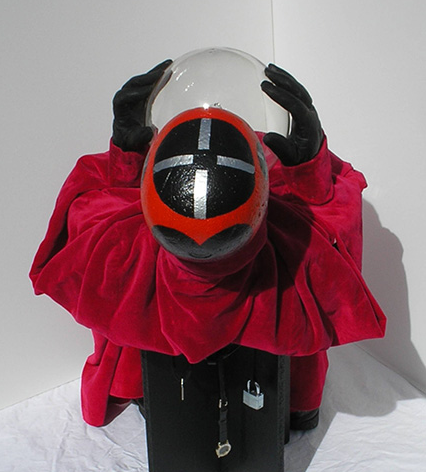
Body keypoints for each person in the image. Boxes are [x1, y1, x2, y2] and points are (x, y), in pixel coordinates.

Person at [30, 59, 385, 429]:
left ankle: (147, 392)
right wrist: (308, 170)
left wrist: (127, 158)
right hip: (277, 389)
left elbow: (91, 206)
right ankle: (297, 405)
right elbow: (334, 230)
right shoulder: (295, 262)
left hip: (159, 388)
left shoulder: (118, 257)